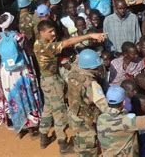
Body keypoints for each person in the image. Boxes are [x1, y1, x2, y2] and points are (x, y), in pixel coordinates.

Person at [34, 20, 106, 153]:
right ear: (41, 32)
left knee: (48, 107)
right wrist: (90, 36)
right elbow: (67, 43)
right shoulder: (46, 47)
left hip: (45, 80)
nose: (53, 33)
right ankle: (63, 144)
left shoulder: (38, 43)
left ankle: (43, 136)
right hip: (52, 82)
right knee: (59, 112)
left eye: (53, 30)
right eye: (50, 32)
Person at [0, 13, 41, 136]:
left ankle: (19, 127)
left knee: (13, 98)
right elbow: (30, 52)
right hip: (21, 71)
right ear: (12, 24)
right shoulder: (19, 37)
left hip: (6, 73)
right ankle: (31, 128)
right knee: (26, 95)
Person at [67, 49, 108, 156]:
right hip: (85, 120)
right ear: (92, 67)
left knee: (79, 142)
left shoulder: (74, 72)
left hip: (74, 114)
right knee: (88, 148)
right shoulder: (91, 83)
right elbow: (102, 104)